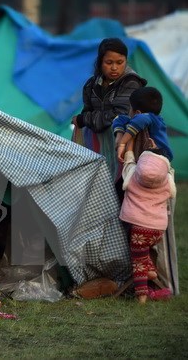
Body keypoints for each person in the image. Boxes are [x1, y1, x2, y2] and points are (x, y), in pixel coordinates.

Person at [71, 37, 147, 180]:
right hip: (99, 148)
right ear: (100, 62)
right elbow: (87, 110)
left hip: (124, 144)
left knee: (122, 186)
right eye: (109, 62)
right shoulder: (91, 85)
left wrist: (83, 119)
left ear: (126, 61)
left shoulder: (131, 82)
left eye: (119, 62)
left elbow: (119, 115)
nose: (114, 68)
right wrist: (84, 119)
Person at [119, 138, 176, 304]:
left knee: (138, 262)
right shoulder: (166, 180)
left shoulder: (133, 175)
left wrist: (129, 145)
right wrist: (157, 152)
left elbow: (128, 160)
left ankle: (141, 296)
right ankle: (150, 270)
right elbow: (166, 173)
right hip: (158, 229)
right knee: (144, 250)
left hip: (138, 227)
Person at [113, 86, 174, 163]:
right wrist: (119, 135)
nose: (129, 111)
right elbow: (119, 118)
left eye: (130, 108)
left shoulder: (152, 118)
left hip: (161, 158)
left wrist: (122, 143)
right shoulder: (146, 118)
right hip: (144, 158)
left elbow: (141, 119)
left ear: (138, 113)